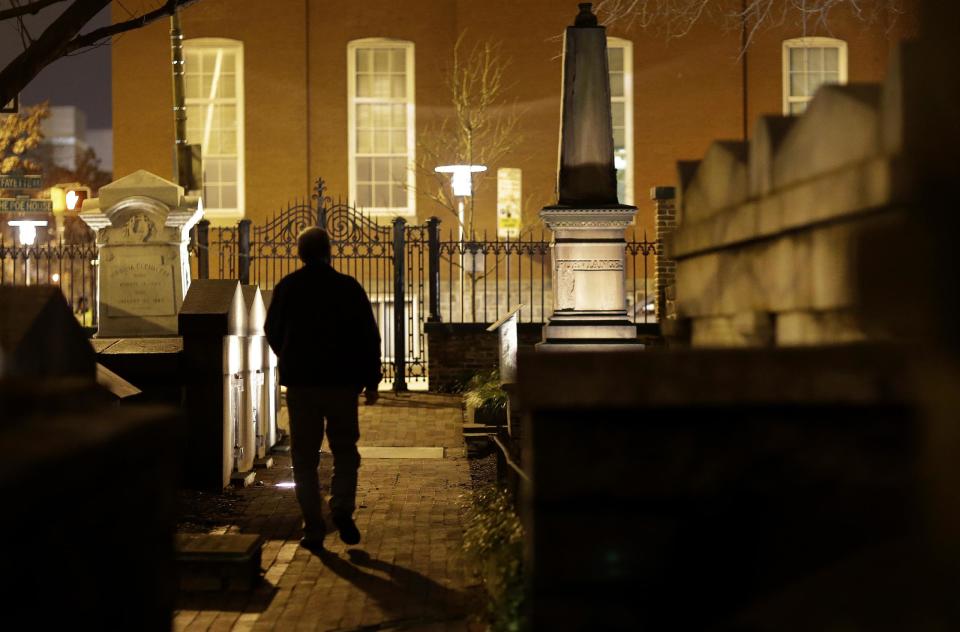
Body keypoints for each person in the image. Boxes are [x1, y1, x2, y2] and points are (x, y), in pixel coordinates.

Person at [265, 227, 382, 550]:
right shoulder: (347, 288)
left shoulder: (288, 287)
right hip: (342, 384)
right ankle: (342, 506)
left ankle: (313, 527)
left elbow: (272, 330)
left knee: (304, 458)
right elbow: (368, 336)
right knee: (345, 450)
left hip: (302, 386)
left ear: (300, 254)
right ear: (329, 252)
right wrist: (371, 381)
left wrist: (289, 358)